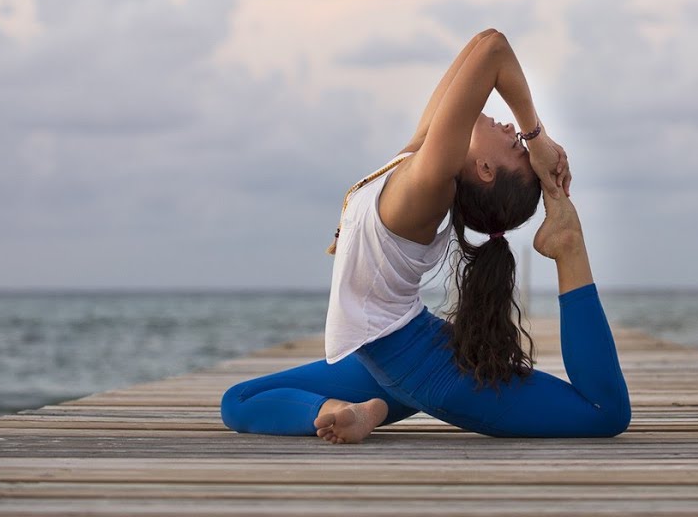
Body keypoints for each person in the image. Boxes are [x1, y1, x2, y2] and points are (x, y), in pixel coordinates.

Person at [220, 28, 631, 442]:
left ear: (485, 171)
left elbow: (494, 52)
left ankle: (568, 244)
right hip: (389, 353)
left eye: (514, 146)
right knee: (238, 399)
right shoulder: (416, 158)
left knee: (604, 412)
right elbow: (484, 41)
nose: (513, 131)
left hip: (424, 368)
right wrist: (534, 145)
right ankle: (343, 413)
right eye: (519, 140)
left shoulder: (428, 186)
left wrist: (536, 137)